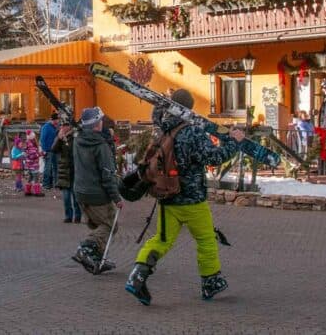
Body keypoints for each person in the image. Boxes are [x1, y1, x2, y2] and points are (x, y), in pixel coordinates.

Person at [125, 91, 244, 306]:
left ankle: (138, 274)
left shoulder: (163, 129)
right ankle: (211, 282)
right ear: (188, 108)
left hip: (166, 197)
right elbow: (213, 157)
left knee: (161, 240)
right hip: (192, 199)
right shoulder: (192, 132)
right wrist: (234, 142)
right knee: (206, 239)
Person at [72, 107, 122, 274]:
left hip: (80, 191)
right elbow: (107, 174)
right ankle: (85, 248)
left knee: (98, 226)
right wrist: (116, 197)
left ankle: (96, 259)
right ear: (97, 124)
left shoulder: (78, 141)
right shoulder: (100, 145)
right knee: (109, 225)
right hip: (97, 193)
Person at [55, 123, 81, 224]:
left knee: (75, 197)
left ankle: (77, 216)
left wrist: (66, 140)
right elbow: (54, 149)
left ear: (69, 126)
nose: (62, 127)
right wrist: (59, 139)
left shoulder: (75, 137)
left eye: (64, 125)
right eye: (61, 126)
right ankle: (68, 216)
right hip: (64, 170)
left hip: (74, 169)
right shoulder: (61, 137)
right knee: (66, 197)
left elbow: (72, 151)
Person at [40, 113, 60, 190]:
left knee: (56, 167)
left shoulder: (56, 127)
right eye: (55, 120)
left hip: (55, 150)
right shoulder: (46, 127)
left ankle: (56, 184)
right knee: (48, 168)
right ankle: (46, 184)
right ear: (51, 120)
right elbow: (42, 139)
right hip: (48, 150)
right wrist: (44, 150)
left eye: (57, 120)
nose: (56, 122)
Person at [22, 130, 43, 197]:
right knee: (36, 178)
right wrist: (39, 154)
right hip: (33, 164)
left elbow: (28, 153)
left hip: (28, 164)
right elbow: (32, 155)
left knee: (30, 177)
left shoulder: (27, 143)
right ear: (32, 136)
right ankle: (37, 192)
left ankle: (27, 191)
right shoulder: (31, 144)